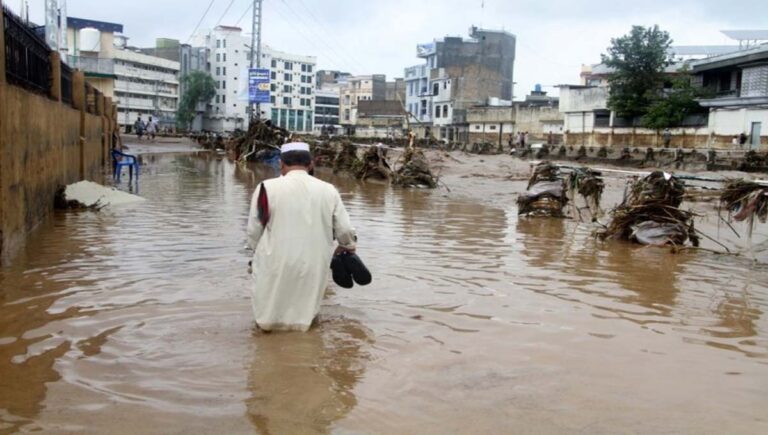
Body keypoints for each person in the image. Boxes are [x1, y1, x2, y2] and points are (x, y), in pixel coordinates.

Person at [246, 142, 357, 332]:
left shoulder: (266, 188)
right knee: (305, 309)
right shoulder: (328, 189)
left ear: (281, 164)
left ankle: (267, 336)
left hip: (275, 257)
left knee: (269, 305)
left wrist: (255, 254)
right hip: (314, 259)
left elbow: (255, 228)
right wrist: (347, 246)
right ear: (311, 164)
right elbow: (345, 229)